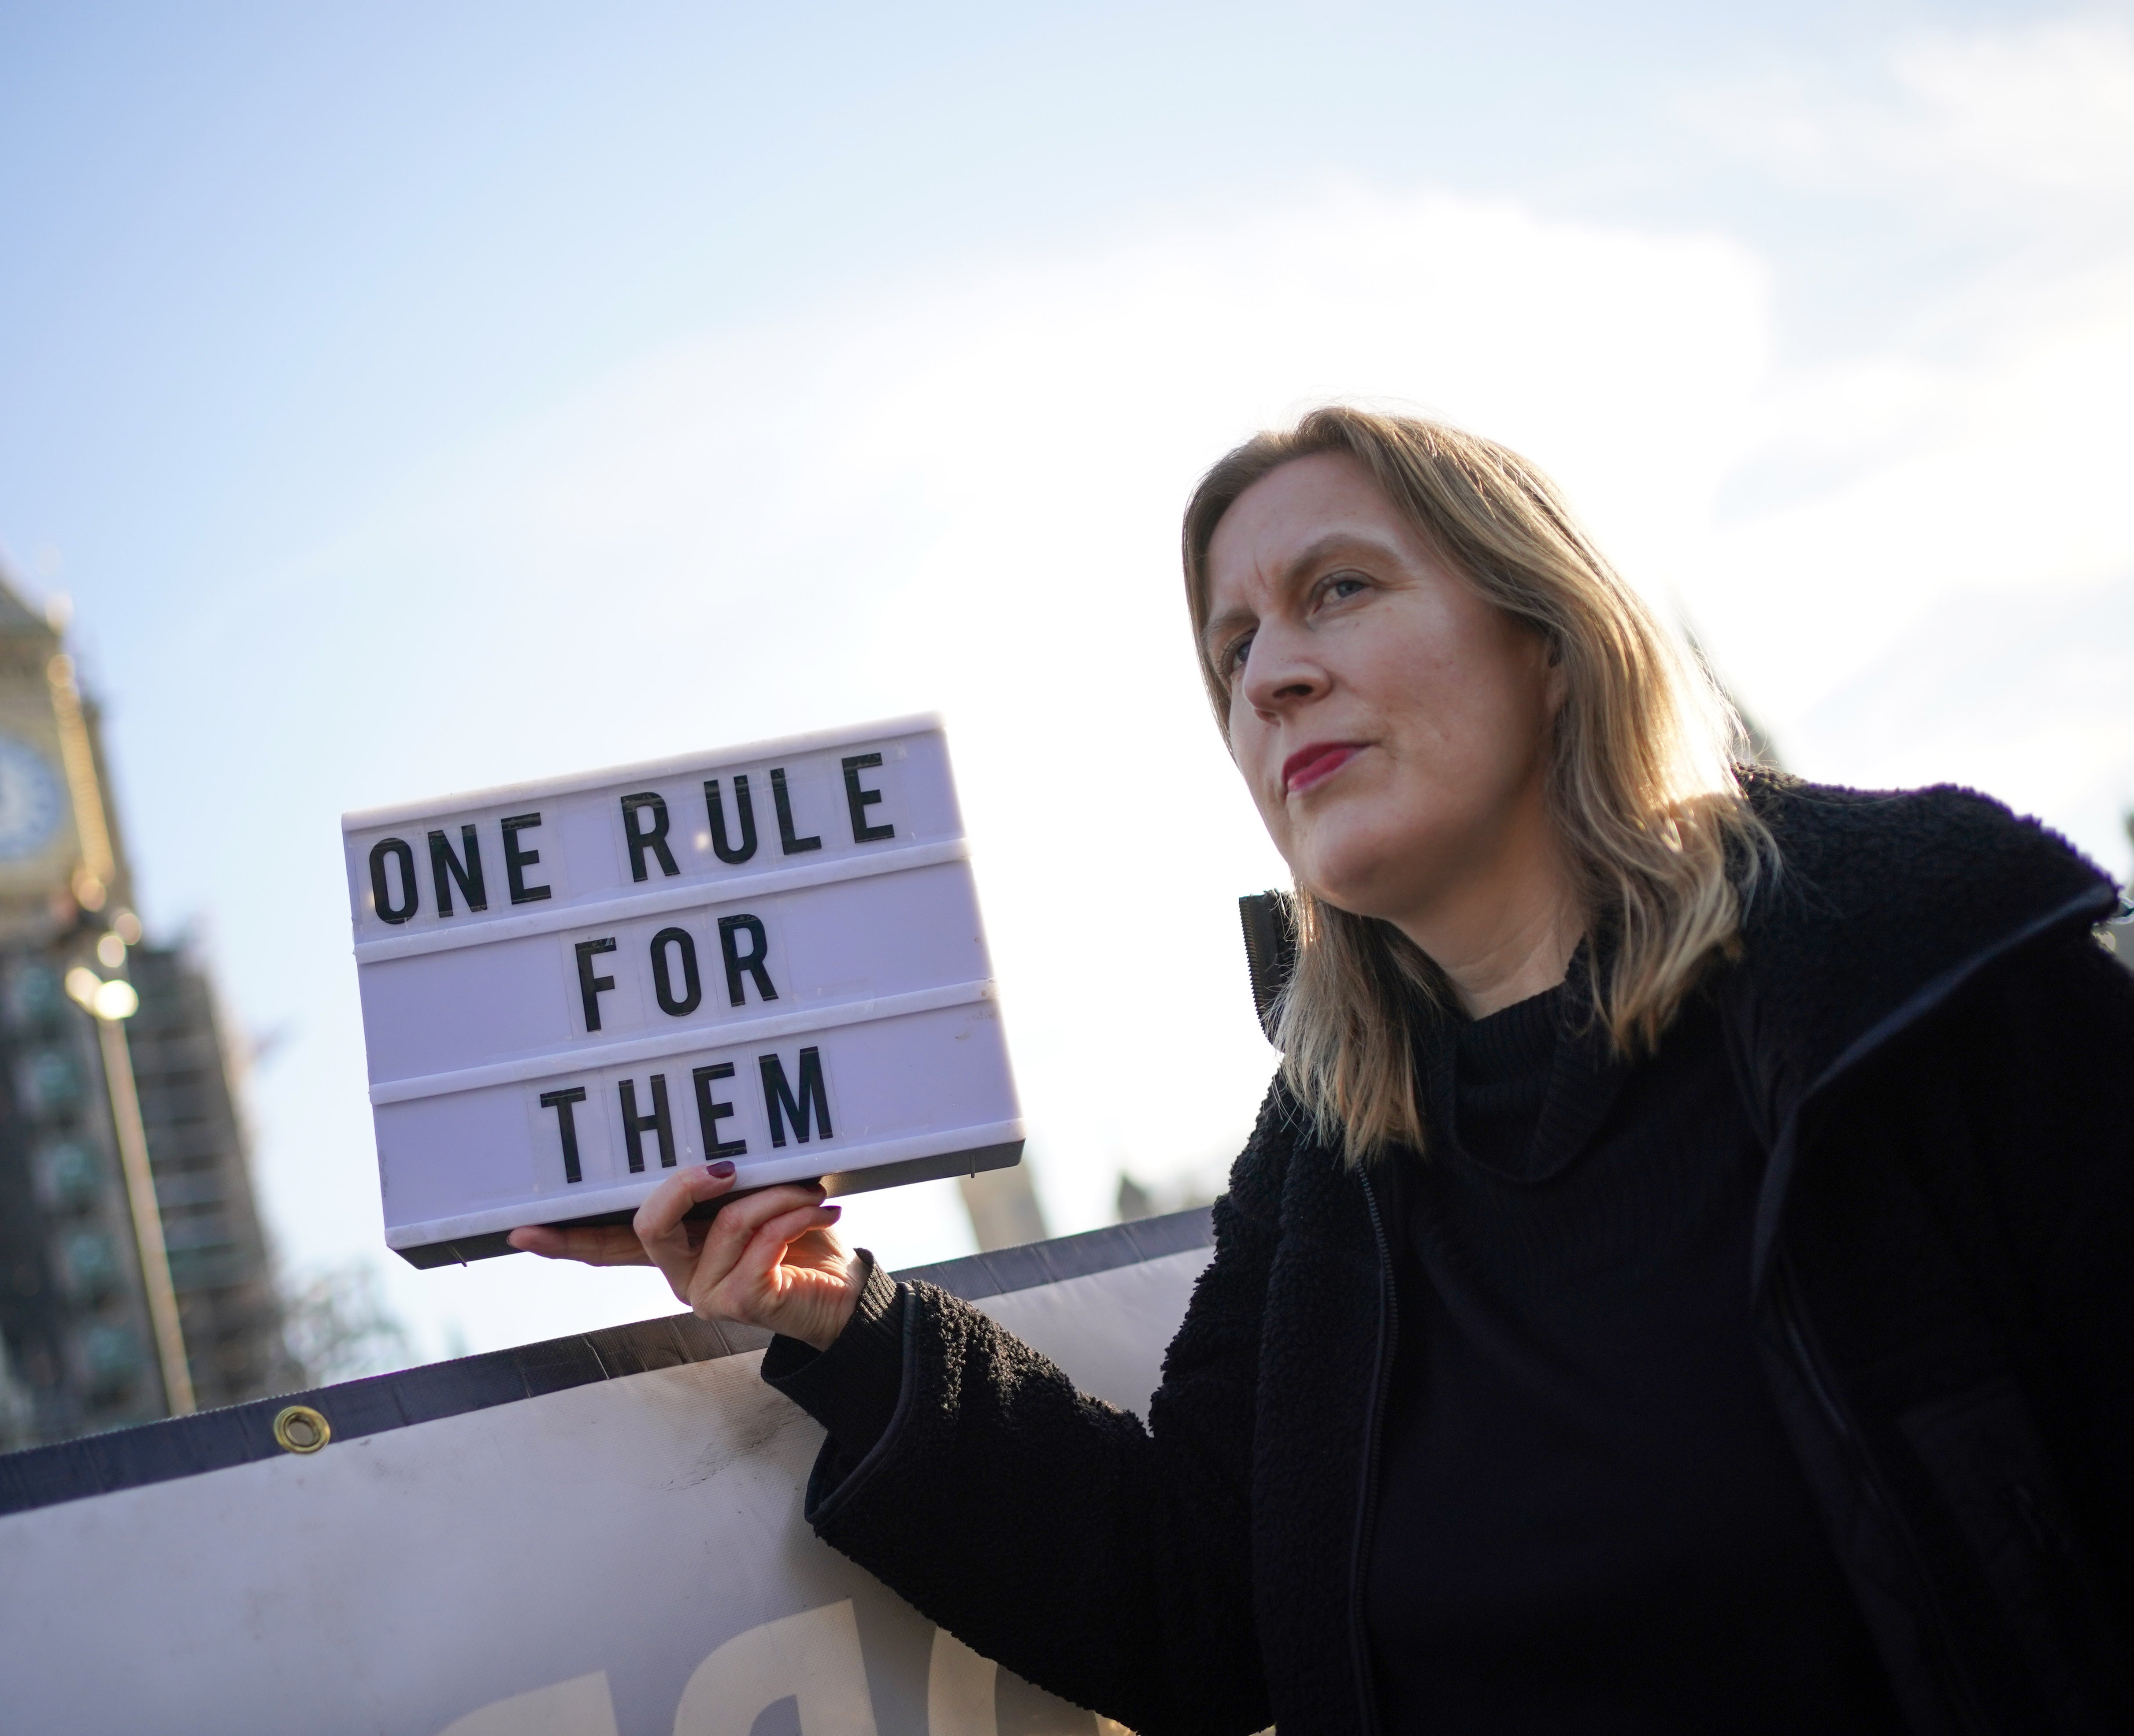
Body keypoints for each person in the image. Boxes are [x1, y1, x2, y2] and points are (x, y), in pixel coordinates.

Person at [510, 406, 2134, 1736]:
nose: (1270, 674)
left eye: (1341, 588)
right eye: (1232, 649)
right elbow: (1202, 1603)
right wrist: (832, 1315)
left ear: (1548, 636)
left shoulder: (1932, 987)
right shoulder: (1329, 1159)